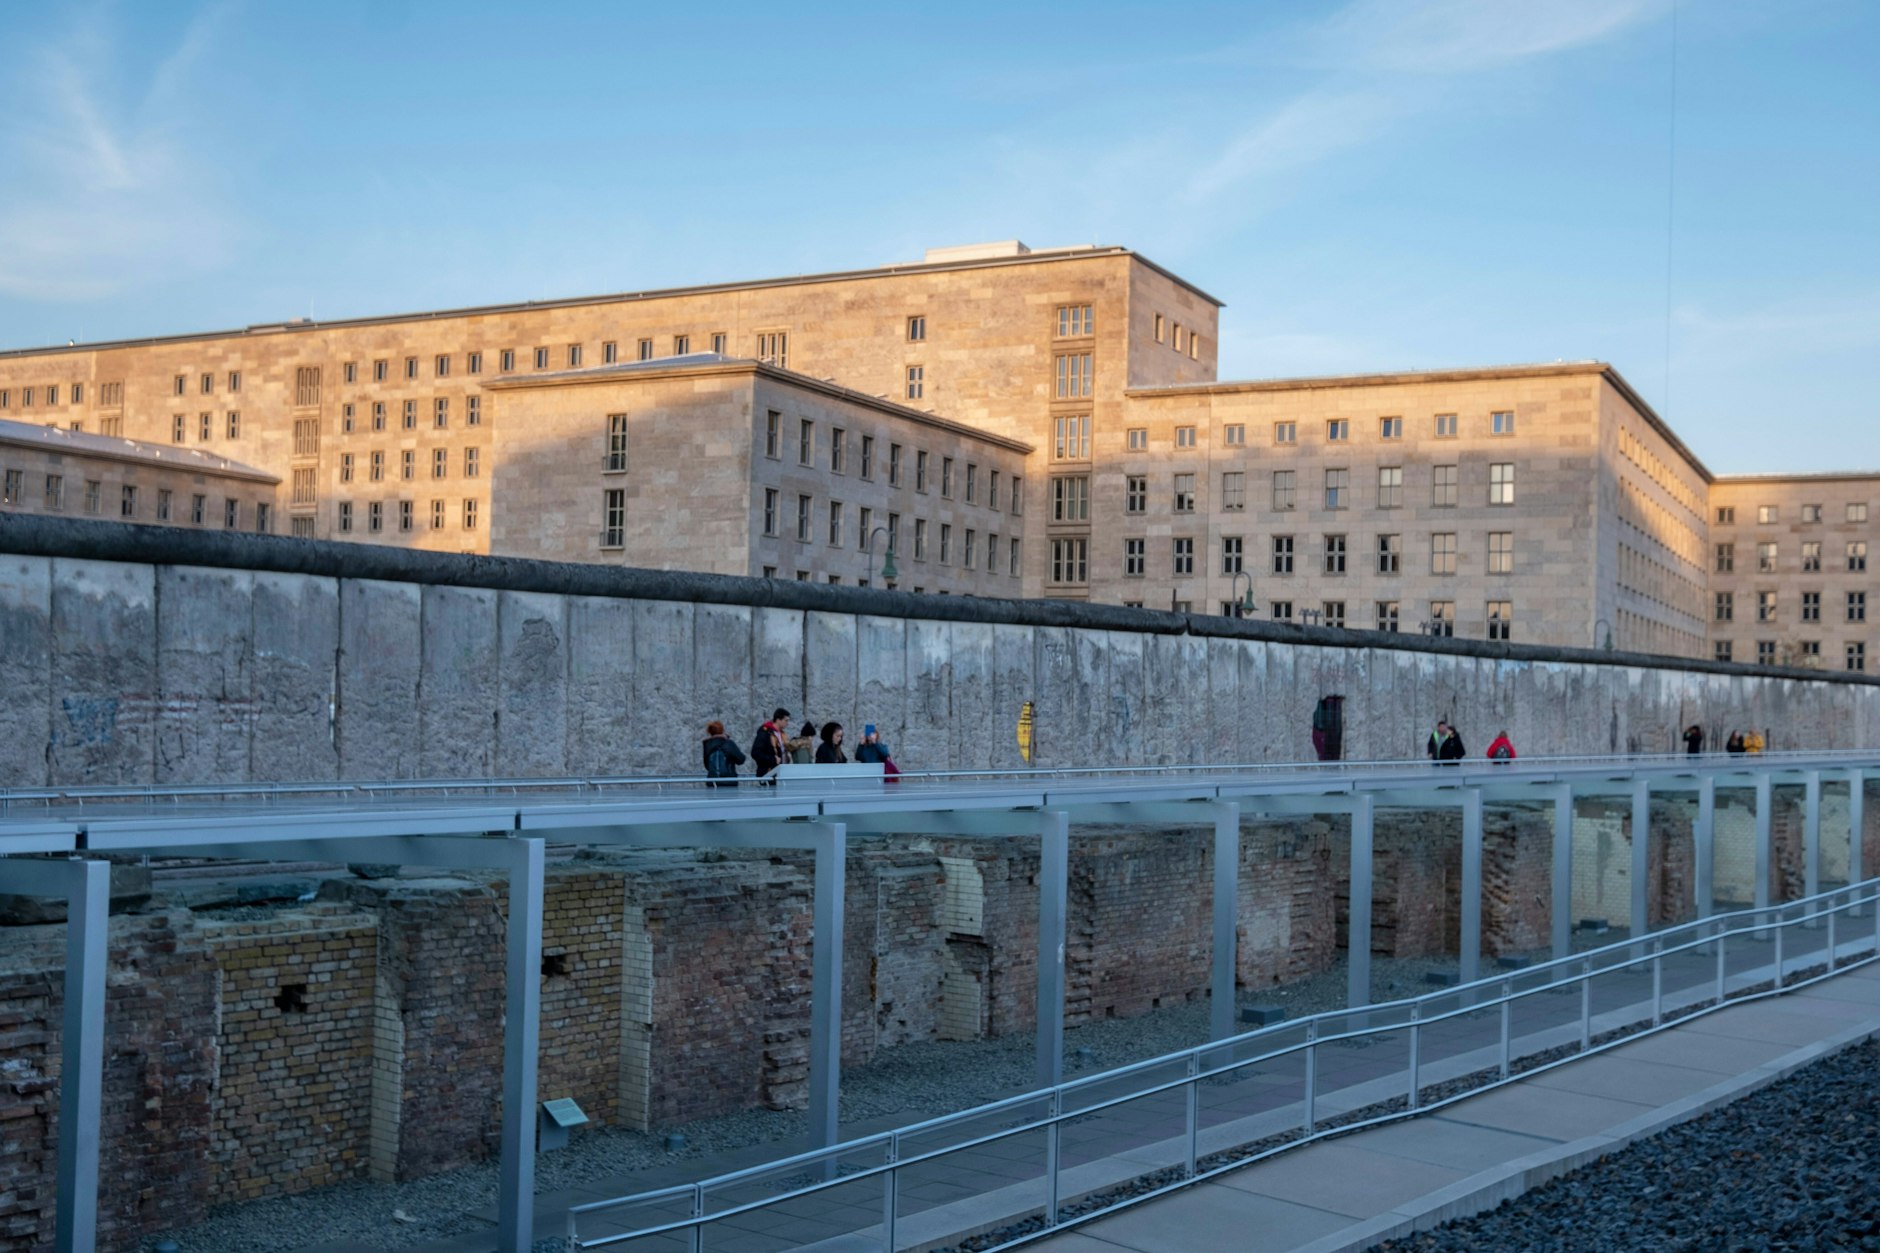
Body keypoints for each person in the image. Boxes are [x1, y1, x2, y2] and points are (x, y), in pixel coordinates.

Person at [701, 720, 746, 788]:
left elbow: (707, 766)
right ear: (722, 730)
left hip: (712, 782)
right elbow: (741, 760)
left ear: (710, 732)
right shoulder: (728, 743)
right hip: (729, 781)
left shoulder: (707, 745)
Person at [750, 708, 790, 780]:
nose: (787, 723)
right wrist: (773, 759)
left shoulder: (782, 734)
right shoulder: (765, 733)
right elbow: (755, 753)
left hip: (781, 773)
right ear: (778, 720)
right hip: (768, 773)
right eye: (786, 720)